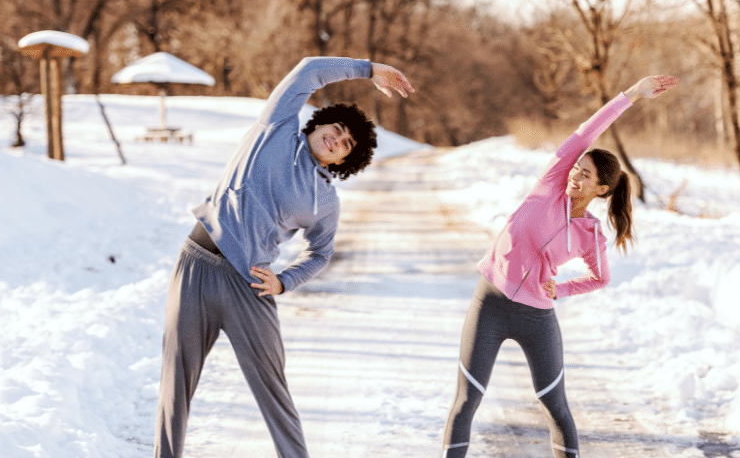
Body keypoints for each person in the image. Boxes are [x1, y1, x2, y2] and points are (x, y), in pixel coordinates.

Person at [156, 56, 415, 458]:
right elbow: (309, 70)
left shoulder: (325, 200)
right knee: (176, 383)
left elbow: (320, 253)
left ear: (344, 161)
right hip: (194, 266)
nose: (337, 139)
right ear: (321, 123)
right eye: (337, 128)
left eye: (347, 144)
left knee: (273, 393)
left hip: (249, 286)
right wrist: (368, 69)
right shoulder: (275, 129)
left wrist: (284, 281)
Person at [440, 74, 678, 458]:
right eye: (576, 168)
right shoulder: (550, 184)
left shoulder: (590, 235)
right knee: (466, 402)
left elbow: (601, 277)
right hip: (490, 303)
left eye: (585, 174)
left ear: (602, 189)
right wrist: (633, 95)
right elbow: (588, 131)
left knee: (557, 408)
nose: (575, 175)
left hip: (537, 317)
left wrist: (562, 289)